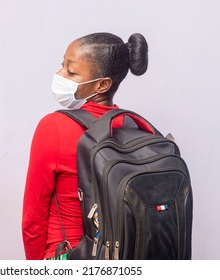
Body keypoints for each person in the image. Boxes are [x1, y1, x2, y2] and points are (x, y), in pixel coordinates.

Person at [22, 32, 149, 260]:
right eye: (62, 65)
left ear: (102, 84)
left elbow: (33, 218)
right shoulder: (136, 127)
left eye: (71, 72)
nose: (60, 74)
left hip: (67, 255)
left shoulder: (54, 126)